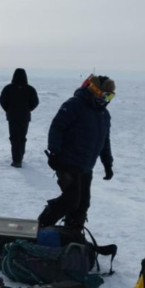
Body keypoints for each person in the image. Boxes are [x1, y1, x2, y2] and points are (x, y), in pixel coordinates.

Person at [38, 75, 115, 230]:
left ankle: (73, 232)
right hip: (67, 161)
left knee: (83, 203)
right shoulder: (75, 105)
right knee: (71, 199)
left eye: (109, 96)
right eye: (102, 94)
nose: (105, 99)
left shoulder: (104, 115)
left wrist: (108, 164)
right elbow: (57, 127)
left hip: (86, 166)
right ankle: (42, 224)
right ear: (94, 90)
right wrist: (54, 153)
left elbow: (104, 141)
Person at [0, 68, 40, 167]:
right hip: (24, 117)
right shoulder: (30, 89)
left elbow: (2, 101)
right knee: (22, 137)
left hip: (12, 117)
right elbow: (35, 102)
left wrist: (8, 110)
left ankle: (17, 160)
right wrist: (28, 109)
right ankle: (19, 157)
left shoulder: (8, 88)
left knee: (14, 138)